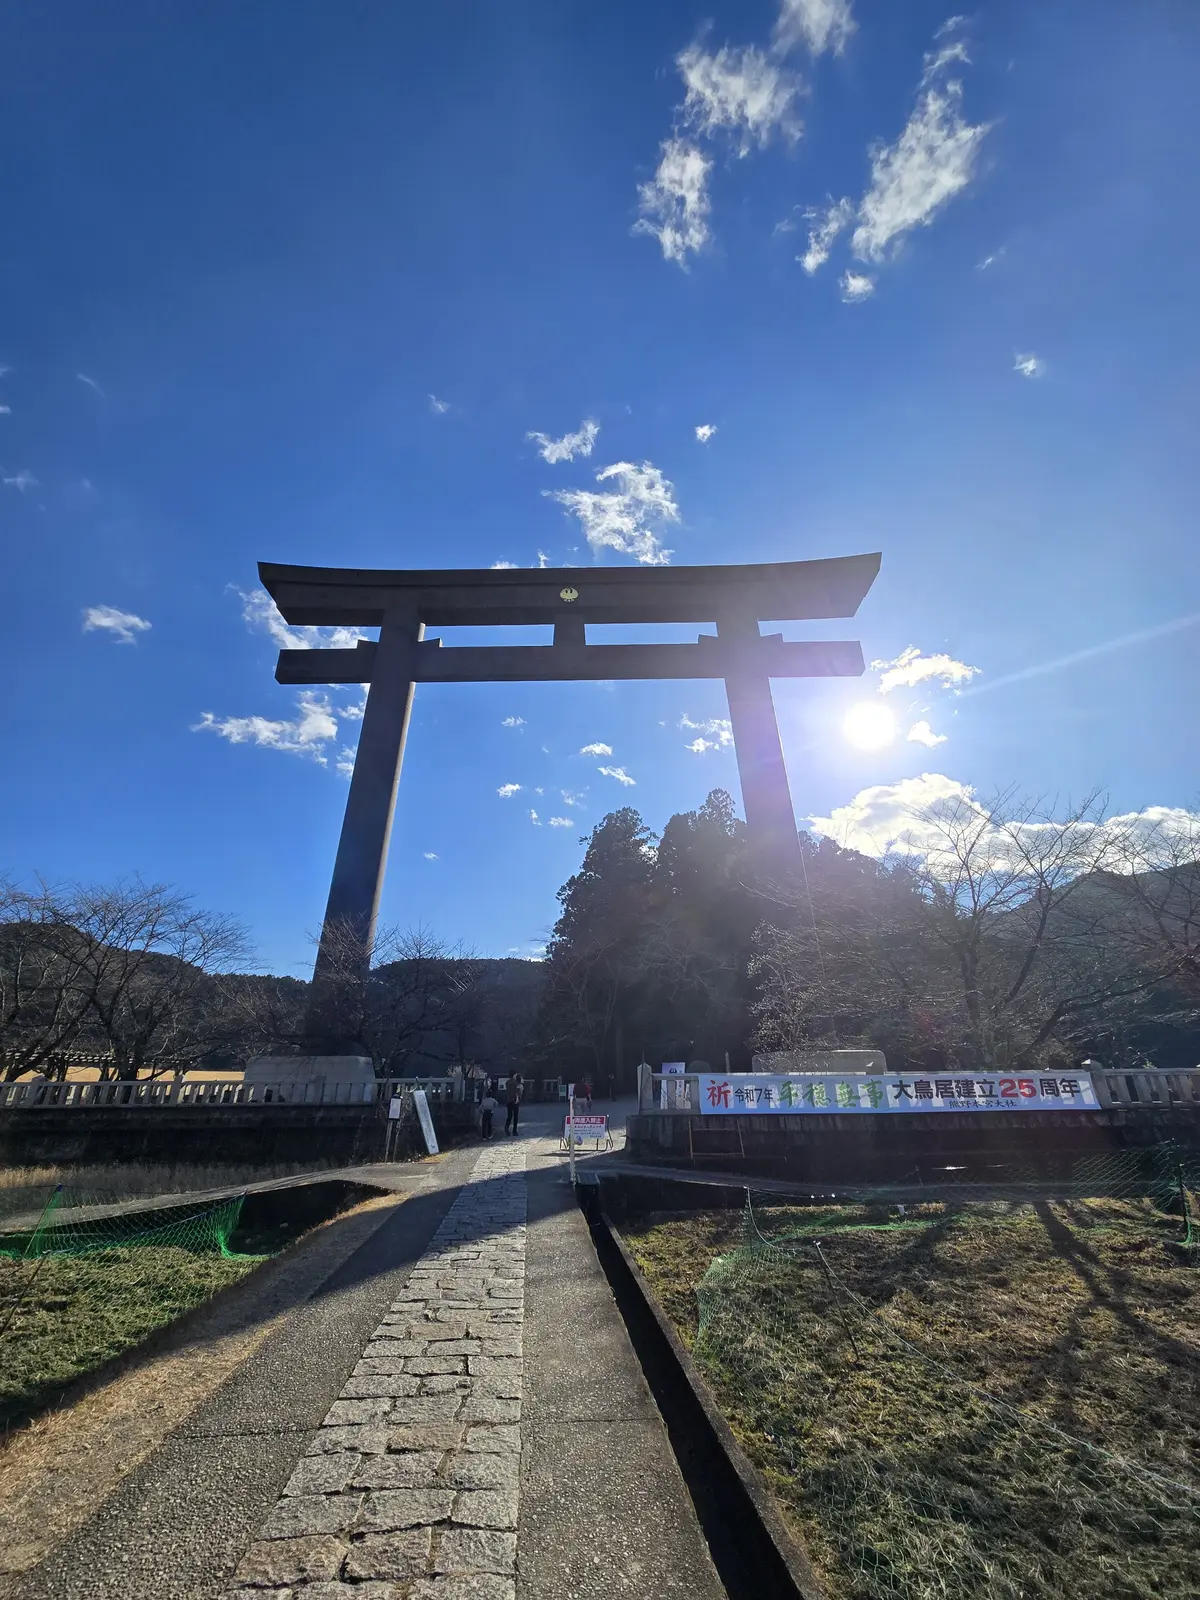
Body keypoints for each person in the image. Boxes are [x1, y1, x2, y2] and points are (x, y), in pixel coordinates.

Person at [504, 1072, 523, 1136]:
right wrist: (518, 1098)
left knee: (509, 1116)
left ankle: (506, 1126)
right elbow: (518, 1091)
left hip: (508, 1100)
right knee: (515, 1117)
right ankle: (514, 1131)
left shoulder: (507, 1082)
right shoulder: (516, 1083)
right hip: (515, 1101)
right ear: (514, 1075)